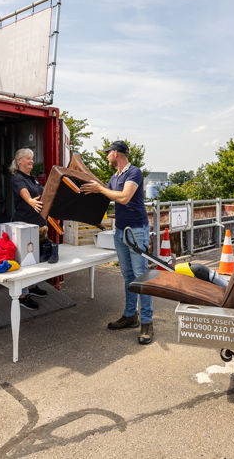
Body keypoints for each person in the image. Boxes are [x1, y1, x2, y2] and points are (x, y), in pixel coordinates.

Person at [80, 140, 154, 345]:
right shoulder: (115, 177)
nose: (106, 157)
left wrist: (101, 189)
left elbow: (123, 198)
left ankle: (147, 322)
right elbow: (107, 197)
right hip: (121, 231)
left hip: (136, 231)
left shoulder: (134, 173)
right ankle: (131, 315)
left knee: (141, 277)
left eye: (108, 153)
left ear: (116, 153)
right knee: (128, 275)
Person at [9, 147, 49, 310]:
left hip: (37, 224)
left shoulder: (33, 178)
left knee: (35, 259)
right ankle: (22, 296)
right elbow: (24, 193)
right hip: (25, 226)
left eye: (32, 158)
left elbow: (43, 193)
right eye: (28, 158)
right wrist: (30, 201)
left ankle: (32, 287)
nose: (31, 161)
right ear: (19, 161)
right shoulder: (17, 178)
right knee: (25, 261)